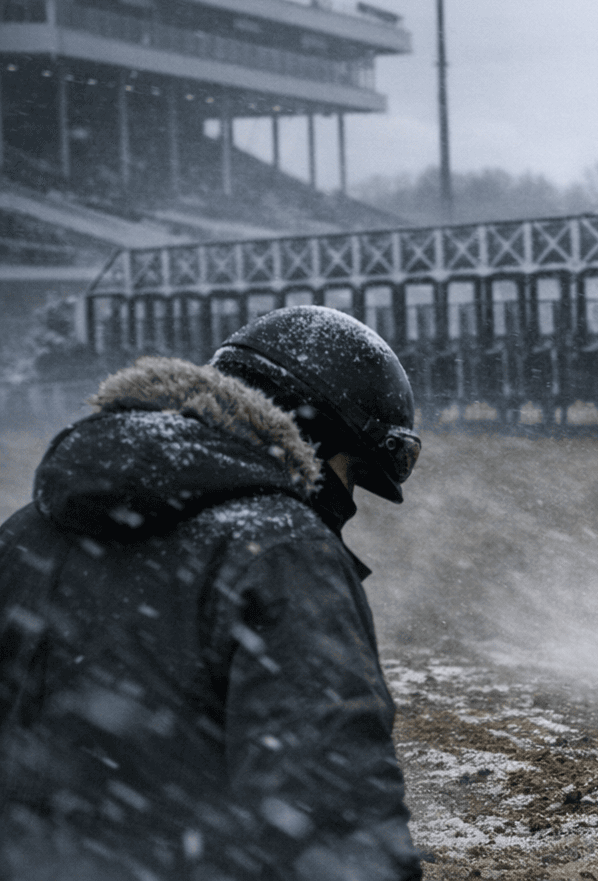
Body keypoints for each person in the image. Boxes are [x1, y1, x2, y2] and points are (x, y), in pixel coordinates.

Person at [0, 305, 424, 880]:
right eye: (352, 474)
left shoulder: (27, 530)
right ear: (317, 444)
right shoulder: (278, 549)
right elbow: (330, 817)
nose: (345, 505)